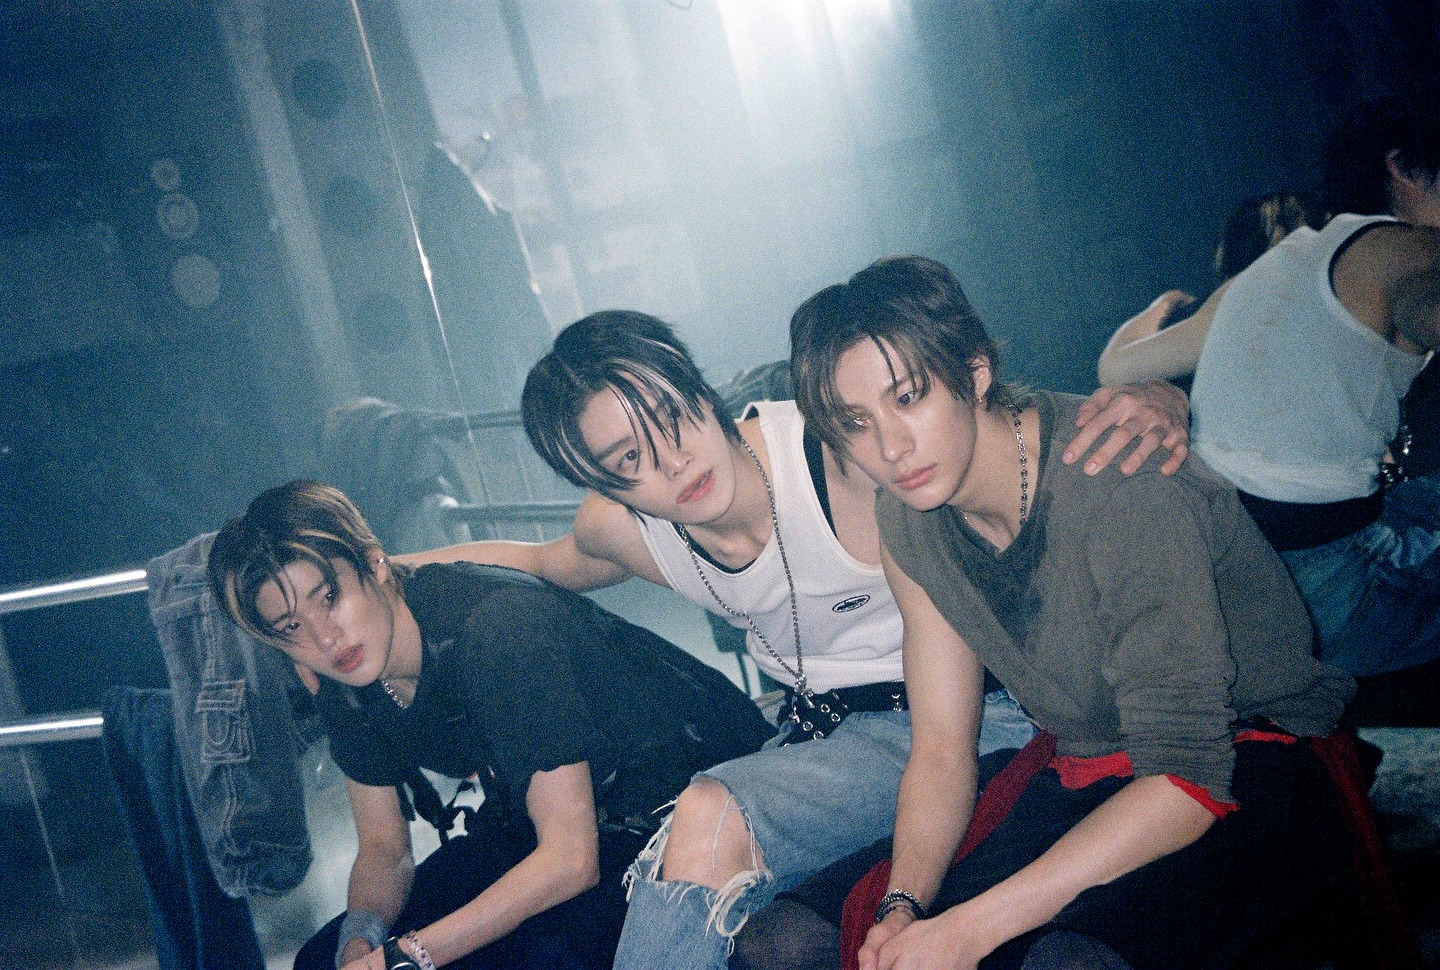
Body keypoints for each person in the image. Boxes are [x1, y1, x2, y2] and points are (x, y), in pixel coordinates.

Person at [400, 310, 1191, 970]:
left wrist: (1157, 396)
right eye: (630, 459)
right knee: (751, 922)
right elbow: (538, 563)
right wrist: (385, 572)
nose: (674, 462)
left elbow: (988, 430)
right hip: (827, 736)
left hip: (975, 718)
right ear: (605, 485)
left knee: (708, 816)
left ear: (696, 385)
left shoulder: (837, 458)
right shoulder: (629, 531)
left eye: (672, 418)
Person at [739, 254, 1354, 970]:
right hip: (1086, 763)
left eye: (908, 397)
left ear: (974, 373)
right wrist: (903, 906)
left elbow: (1187, 774)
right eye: (856, 423)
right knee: (785, 942)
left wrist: (966, 930)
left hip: (1249, 762)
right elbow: (941, 747)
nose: (891, 448)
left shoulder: (1122, 480)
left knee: (1062, 961)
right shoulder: (909, 519)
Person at [206, 480, 774, 970]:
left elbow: (571, 860)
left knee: (534, 954)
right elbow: (383, 847)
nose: (325, 638)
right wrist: (362, 943)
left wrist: (410, 956)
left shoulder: (496, 631)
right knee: (319, 959)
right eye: (291, 627)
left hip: (684, 810)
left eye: (329, 597)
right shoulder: (347, 676)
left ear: (375, 565)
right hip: (541, 823)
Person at [1095, 83, 1440, 677]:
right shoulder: (1410, 252)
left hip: (1226, 581)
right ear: (1404, 170)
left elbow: (1115, 367)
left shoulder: (1258, 277)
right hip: (1329, 596)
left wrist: (1158, 306)